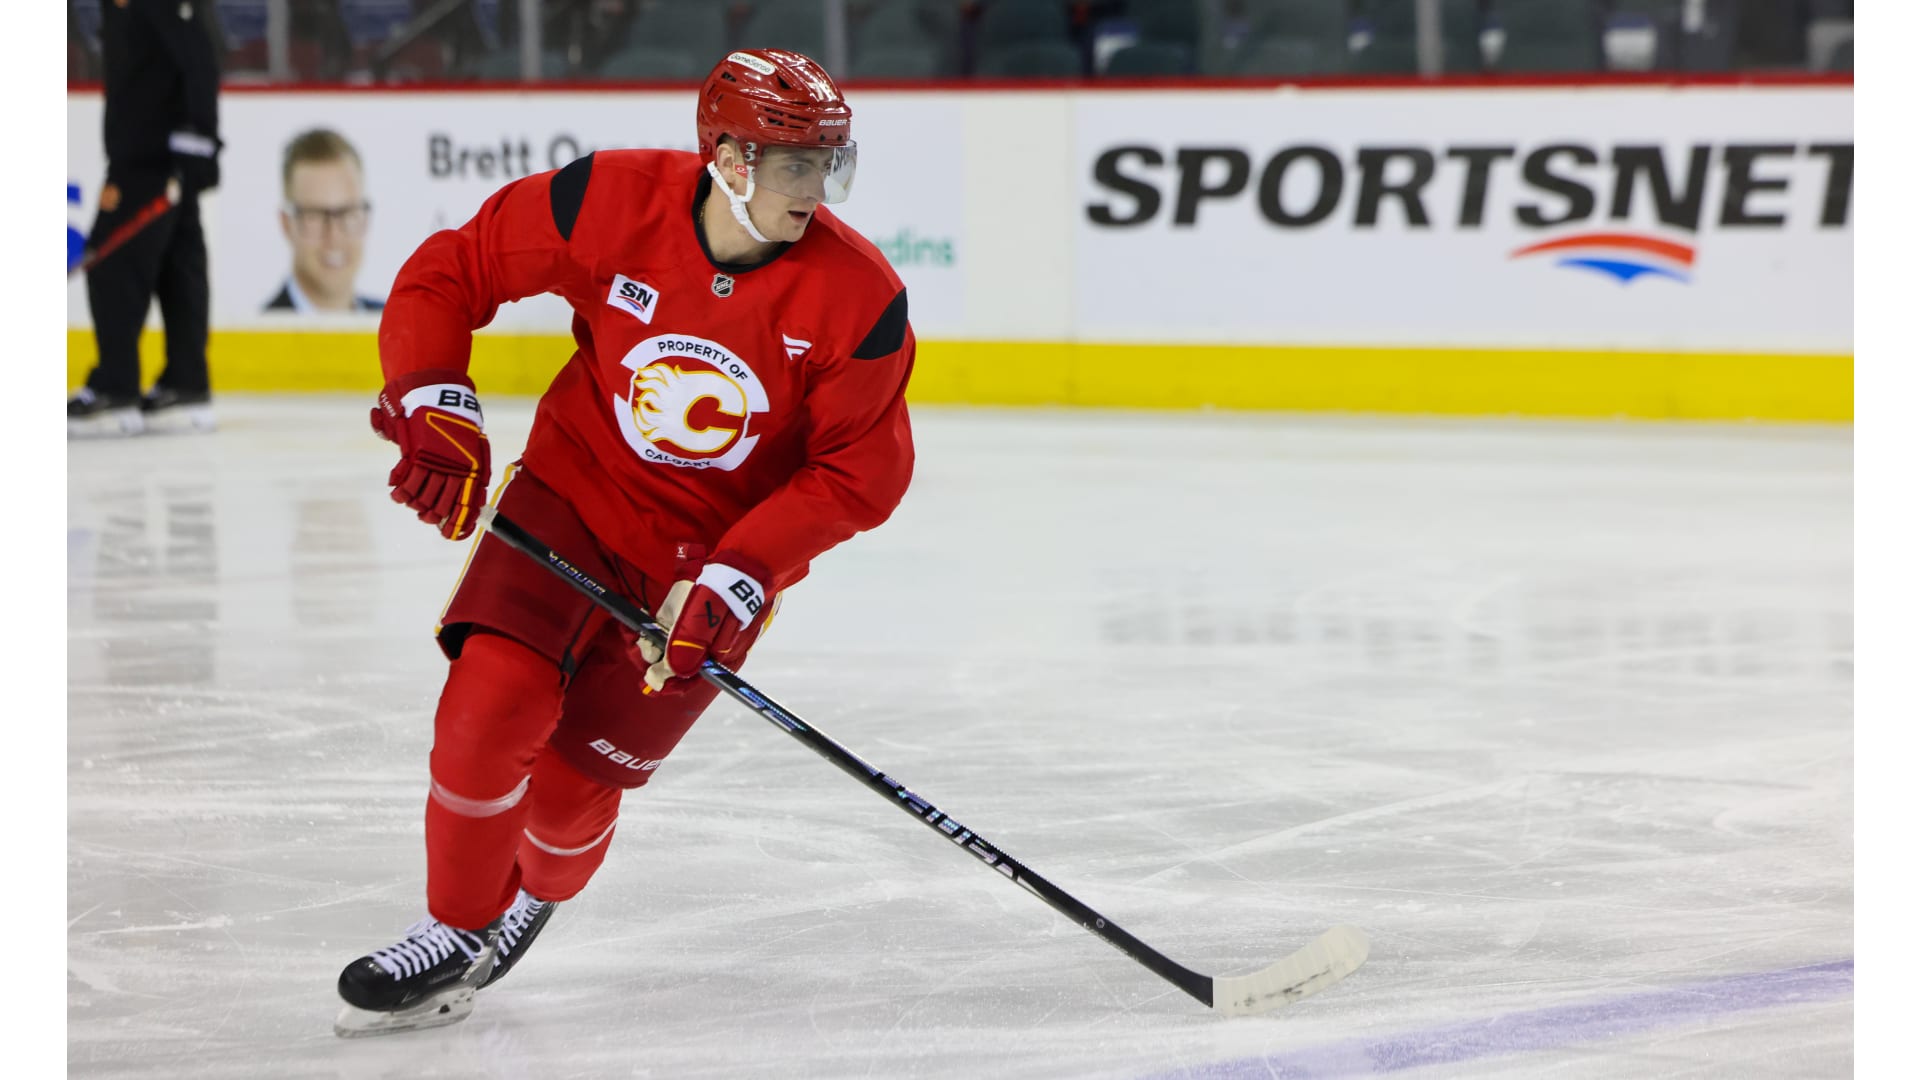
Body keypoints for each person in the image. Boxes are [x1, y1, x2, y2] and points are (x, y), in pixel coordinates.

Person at [334, 48, 915, 1036]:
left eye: (828, 164)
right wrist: (433, 394)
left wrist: (740, 577)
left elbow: (862, 471)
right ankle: (455, 927)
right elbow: (453, 269)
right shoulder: (606, 202)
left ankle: (538, 890)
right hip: (571, 501)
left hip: (703, 566)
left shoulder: (859, 300)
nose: (815, 190)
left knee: (569, 795)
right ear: (727, 160)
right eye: (794, 165)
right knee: (488, 710)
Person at [69, 0, 222, 438]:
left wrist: (198, 142)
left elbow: (197, 55)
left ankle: (115, 390)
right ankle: (185, 384)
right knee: (178, 268)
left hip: (150, 161)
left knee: (111, 264)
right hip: (160, 157)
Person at [264, 129, 385, 314]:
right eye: (315, 216)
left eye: (347, 213)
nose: (334, 237)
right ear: (286, 224)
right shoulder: (255, 330)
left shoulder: (393, 323)